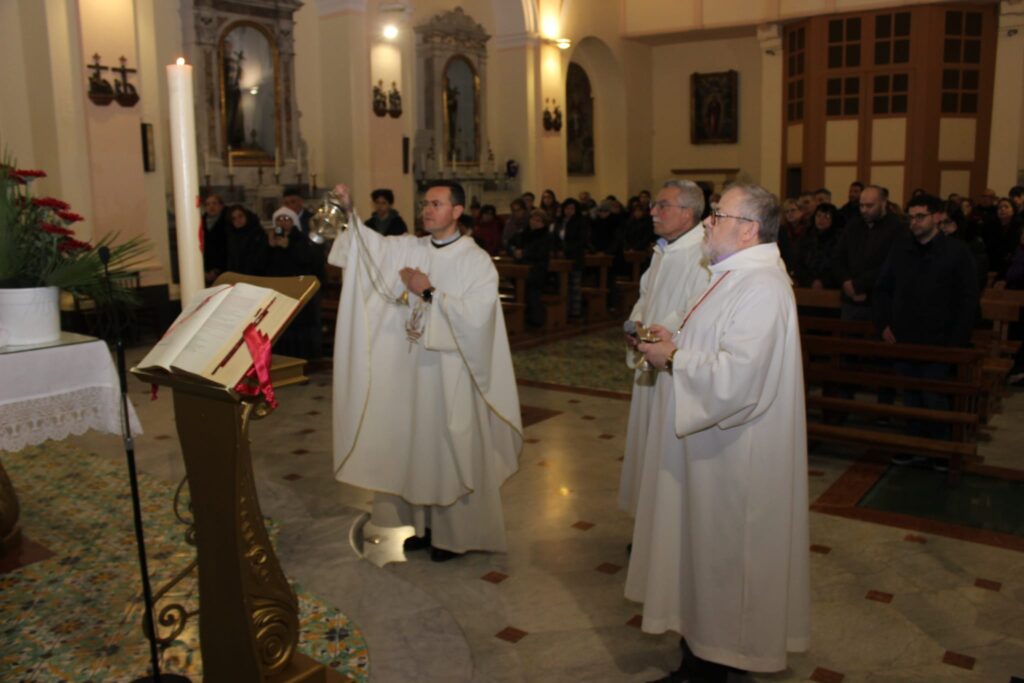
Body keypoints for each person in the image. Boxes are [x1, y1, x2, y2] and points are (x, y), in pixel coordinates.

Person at [630, 183, 810, 683]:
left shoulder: (762, 286)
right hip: (711, 450)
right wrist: (678, 338)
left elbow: (741, 376)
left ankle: (720, 667)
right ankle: (698, 658)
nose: (708, 222)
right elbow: (716, 338)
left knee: (727, 562)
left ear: (748, 229)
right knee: (704, 558)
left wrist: (677, 358)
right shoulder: (731, 275)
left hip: (737, 456)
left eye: (718, 214)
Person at [328, 180, 523, 562]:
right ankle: (425, 527)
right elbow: (370, 250)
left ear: (456, 211)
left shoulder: (474, 260)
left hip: (451, 373)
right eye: (425, 203)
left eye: (436, 204)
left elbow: (478, 318)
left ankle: (455, 536)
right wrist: (349, 211)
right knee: (419, 446)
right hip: (415, 372)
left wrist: (428, 291)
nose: (427, 210)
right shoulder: (409, 247)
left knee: (450, 450)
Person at [618, 179, 711, 517]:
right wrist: (636, 325)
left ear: (687, 213)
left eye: (662, 206)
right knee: (648, 444)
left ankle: (668, 524)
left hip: (675, 365)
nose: (652, 212)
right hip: (649, 359)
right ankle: (648, 523)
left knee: (669, 449)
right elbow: (646, 295)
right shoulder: (664, 249)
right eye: (654, 205)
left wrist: (657, 333)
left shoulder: (704, 250)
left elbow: (695, 305)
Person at [873, 194, 979, 466]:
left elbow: (968, 299)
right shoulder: (901, 248)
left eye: (920, 216)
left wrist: (956, 341)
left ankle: (941, 450)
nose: (914, 222)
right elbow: (883, 289)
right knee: (910, 395)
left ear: (938, 217)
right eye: (911, 217)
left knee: (934, 397)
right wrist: (883, 324)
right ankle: (912, 444)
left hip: (940, 339)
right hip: (905, 336)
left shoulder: (957, 252)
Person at [833, 184, 903, 322]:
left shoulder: (897, 228)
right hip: (850, 299)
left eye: (870, 206)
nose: (864, 210)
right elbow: (837, 257)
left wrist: (860, 284)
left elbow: (892, 264)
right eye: (861, 206)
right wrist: (846, 281)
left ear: (883, 203)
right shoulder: (853, 226)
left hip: (879, 300)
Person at [266, 206, 325, 359]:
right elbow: (262, 264)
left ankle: (303, 360)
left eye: (287, 219)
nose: (283, 222)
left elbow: (308, 261)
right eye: (279, 219)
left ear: (293, 222)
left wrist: (288, 247)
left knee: (299, 329)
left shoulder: (301, 239)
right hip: (279, 290)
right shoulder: (271, 240)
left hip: (298, 289)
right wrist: (270, 247)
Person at [510, 208, 552, 328]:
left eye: (538, 220)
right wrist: (514, 251)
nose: (534, 222)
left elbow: (542, 253)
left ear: (543, 223)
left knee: (532, 295)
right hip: (521, 268)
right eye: (533, 219)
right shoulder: (523, 233)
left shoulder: (546, 236)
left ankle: (535, 321)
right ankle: (520, 319)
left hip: (537, 269)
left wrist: (524, 253)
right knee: (520, 292)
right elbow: (511, 243)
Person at [795, 202, 842, 289]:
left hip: (831, 286)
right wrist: (810, 280)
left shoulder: (839, 239)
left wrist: (823, 281)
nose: (821, 219)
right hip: (806, 284)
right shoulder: (806, 236)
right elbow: (799, 263)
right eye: (818, 215)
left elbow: (839, 264)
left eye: (826, 217)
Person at [224, 204, 269, 276]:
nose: (238, 220)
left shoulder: (258, 233)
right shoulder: (232, 236)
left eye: (240, 216)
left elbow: (262, 257)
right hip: (237, 277)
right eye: (233, 218)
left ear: (246, 216)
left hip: (257, 276)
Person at [201, 194, 229, 285]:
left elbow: (227, 248)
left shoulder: (227, 222)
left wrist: (217, 270)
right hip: (205, 268)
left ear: (221, 206)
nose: (211, 207)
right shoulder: (200, 222)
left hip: (223, 268)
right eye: (208, 204)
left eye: (214, 203)